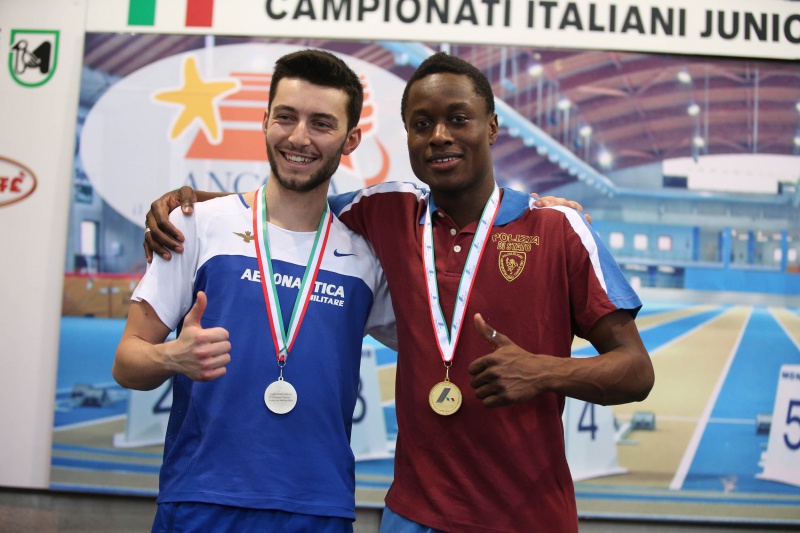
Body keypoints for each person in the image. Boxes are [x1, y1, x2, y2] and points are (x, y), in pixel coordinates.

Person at [146, 52, 654, 532]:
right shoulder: (385, 211)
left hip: (528, 517)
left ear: (492, 127)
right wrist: (191, 206)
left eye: (459, 119)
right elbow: (291, 201)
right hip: (412, 515)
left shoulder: (558, 229)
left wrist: (544, 372)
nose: (439, 136)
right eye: (421, 123)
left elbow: (636, 370)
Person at [113, 49, 396, 532]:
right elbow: (126, 362)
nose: (299, 137)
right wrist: (170, 358)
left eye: (321, 124)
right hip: (202, 500)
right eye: (286, 117)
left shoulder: (367, 256)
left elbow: (431, 345)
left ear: (351, 139)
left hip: (319, 508)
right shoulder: (196, 226)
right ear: (264, 121)